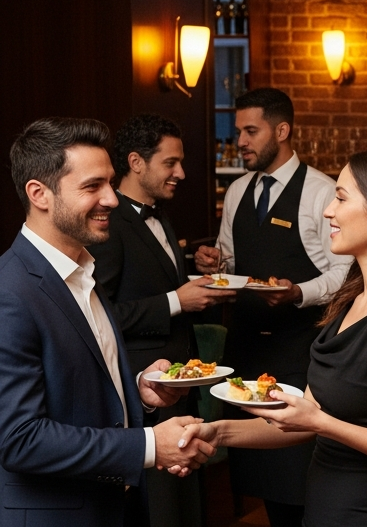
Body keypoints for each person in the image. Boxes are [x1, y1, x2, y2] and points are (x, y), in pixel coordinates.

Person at [180, 148, 367, 526]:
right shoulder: (351, 301)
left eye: (341, 198)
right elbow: (305, 419)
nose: (328, 211)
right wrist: (216, 432)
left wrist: (323, 423)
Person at [0, 117, 213, 526]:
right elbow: (19, 439)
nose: (112, 199)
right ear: (39, 194)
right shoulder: (11, 292)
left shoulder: (84, 272)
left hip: (116, 505)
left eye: (110, 183)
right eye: (92, 186)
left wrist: (138, 392)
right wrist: (150, 445)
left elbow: (77, 389)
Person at [193, 88, 352, 526]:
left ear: (282, 131)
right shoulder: (238, 191)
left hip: (301, 352)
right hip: (246, 352)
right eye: (239, 131)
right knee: (257, 476)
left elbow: (344, 273)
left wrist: (298, 292)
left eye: (251, 131)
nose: (240, 141)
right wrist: (214, 263)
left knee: (297, 478)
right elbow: (230, 262)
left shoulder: (321, 192)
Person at [90, 114, 234, 527]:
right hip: (143, 392)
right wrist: (176, 300)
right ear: (136, 162)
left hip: (178, 386)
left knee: (185, 509)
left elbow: (152, 278)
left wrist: (194, 273)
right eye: (170, 163)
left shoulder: (160, 215)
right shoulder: (109, 224)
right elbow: (101, 314)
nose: (181, 173)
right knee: (160, 511)